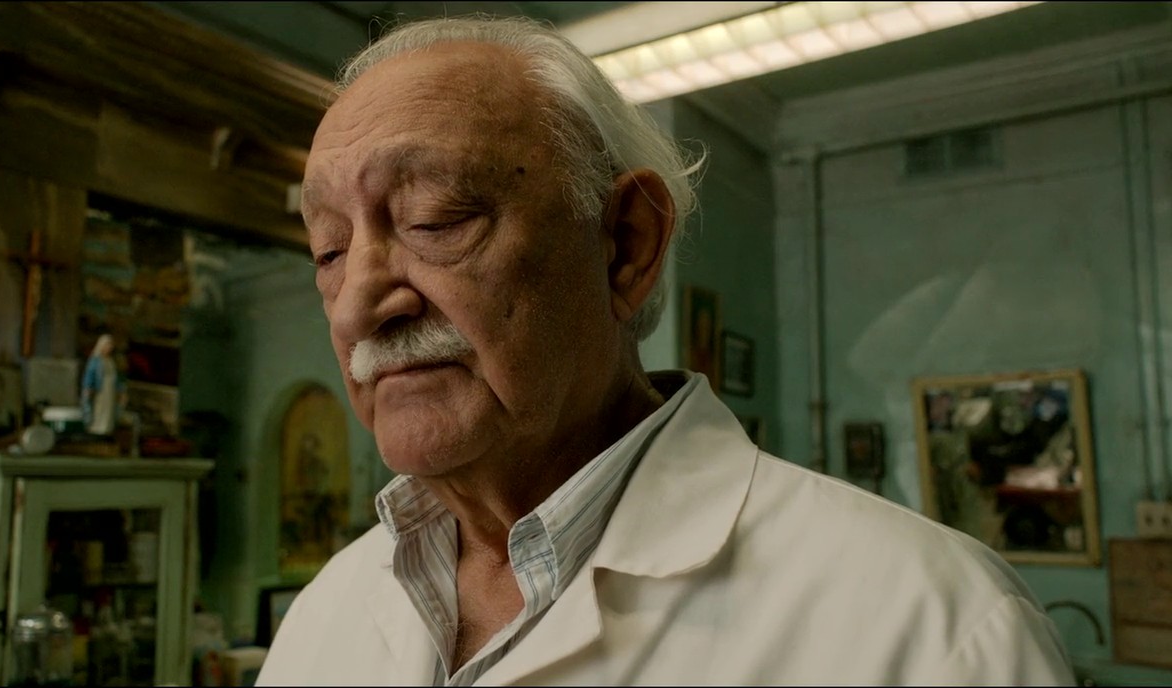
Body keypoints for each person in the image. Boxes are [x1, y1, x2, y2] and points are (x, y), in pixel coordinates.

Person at [258, 15, 1074, 686]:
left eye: (434, 218)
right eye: (329, 250)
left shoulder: (933, 630)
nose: (358, 304)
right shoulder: (325, 614)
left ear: (626, 245)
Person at [80, 333, 126, 436]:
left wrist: (120, 390)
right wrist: (88, 387)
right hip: (100, 390)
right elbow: (90, 374)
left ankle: (107, 430)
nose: (109, 348)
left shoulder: (111, 361)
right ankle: (97, 429)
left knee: (109, 410)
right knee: (99, 409)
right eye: (107, 345)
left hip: (110, 390)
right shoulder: (95, 360)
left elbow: (116, 377)